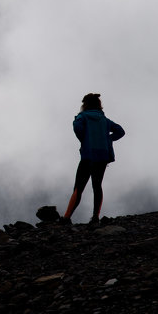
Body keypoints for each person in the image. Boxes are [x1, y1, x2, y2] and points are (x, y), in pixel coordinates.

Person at [63, 93, 125, 226]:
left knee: (78, 188)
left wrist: (84, 139)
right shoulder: (105, 120)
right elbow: (120, 131)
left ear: (85, 104)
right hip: (102, 157)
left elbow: (77, 127)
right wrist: (108, 139)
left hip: (87, 156)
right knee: (97, 186)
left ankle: (66, 217)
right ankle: (95, 217)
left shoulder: (83, 116)